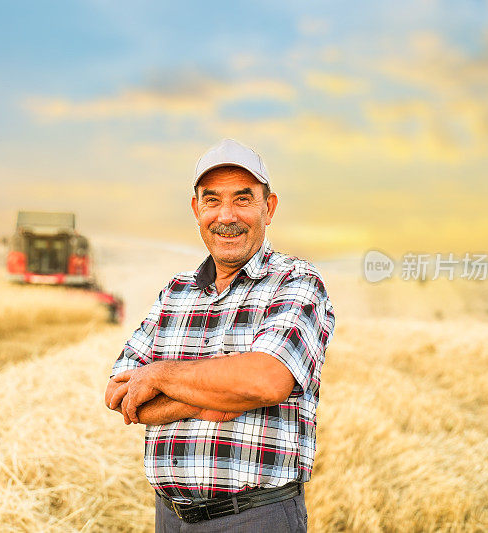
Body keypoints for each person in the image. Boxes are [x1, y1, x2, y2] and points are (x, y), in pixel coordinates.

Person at [104, 138, 335, 532]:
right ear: (197, 209)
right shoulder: (176, 292)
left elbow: (266, 380)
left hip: (256, 517)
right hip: (171, 518)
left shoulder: (296, 282)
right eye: (212, 200)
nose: (226, 215)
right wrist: (216, 398)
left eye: (243, 199)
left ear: (269, 207)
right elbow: (122, 394)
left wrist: (159, 376)